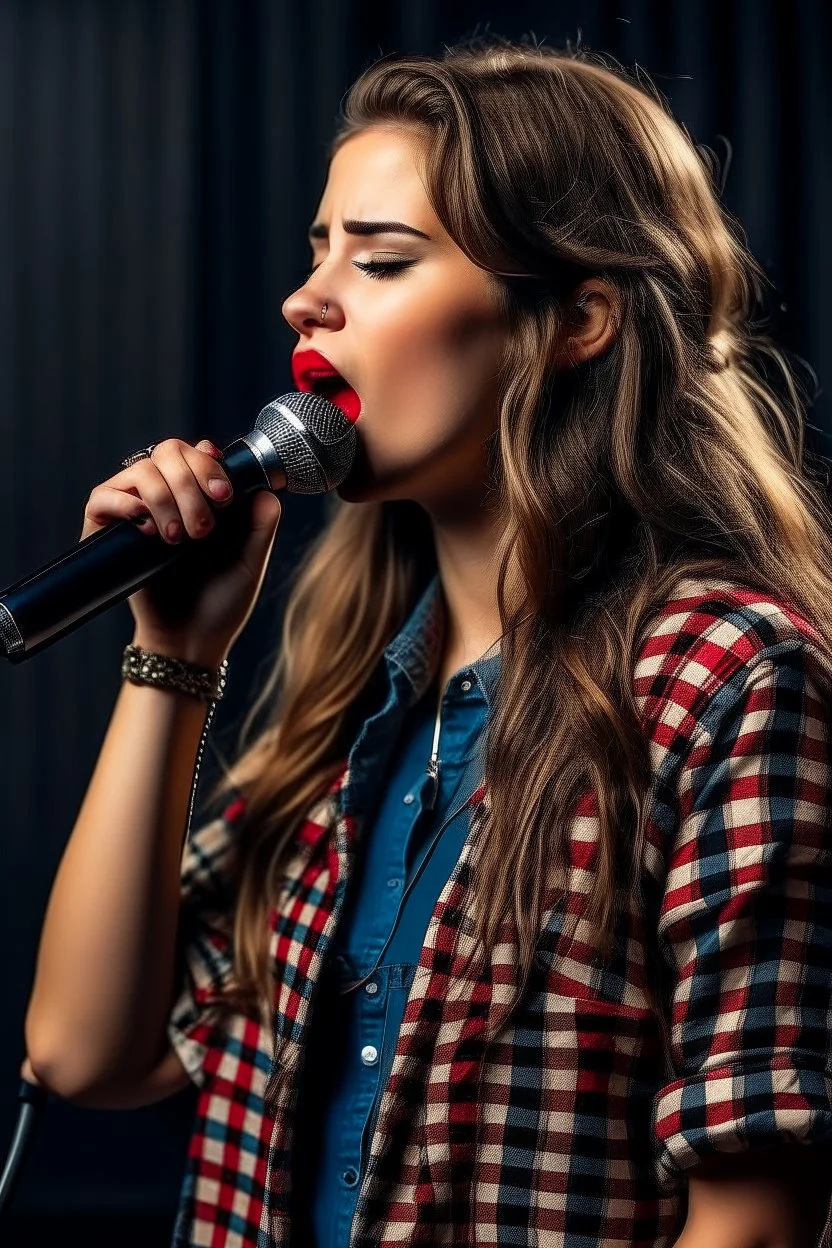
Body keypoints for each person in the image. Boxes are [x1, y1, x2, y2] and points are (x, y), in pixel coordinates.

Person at [22, 35, 832, 1248]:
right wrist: (172, 657)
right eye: (317, 248)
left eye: (384, 258)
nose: (309, 297)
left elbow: (753, 1217)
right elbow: (83, 1052)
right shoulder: (348, 688)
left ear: (577, 321)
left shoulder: (723, 676)